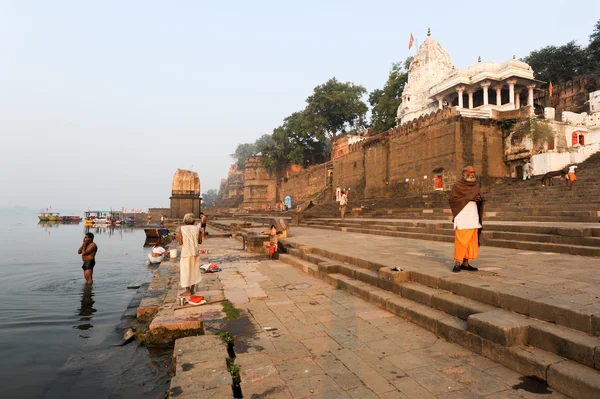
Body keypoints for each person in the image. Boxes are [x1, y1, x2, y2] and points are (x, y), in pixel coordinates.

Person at [448, 166, 483, 273]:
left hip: (473, 214)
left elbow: (476, 196)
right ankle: (457, 263)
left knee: (471, 241)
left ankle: (466, 263)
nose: (472, 174)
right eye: (470, 172)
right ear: (464, 173)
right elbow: (452, 200)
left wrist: (480, 199)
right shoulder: (457, 186)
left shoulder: (476, 185)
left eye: (473, 172)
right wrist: (470, 198)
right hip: (462, 214)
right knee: (461, 240)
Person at [178, 213, 202, 296]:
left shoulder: (182, 228)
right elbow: (200, 241)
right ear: (193, 220)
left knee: (185, 272)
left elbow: (180, 242)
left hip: (186, 253)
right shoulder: (197, 228)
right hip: (195, 252)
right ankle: (192, 290)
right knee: (194, 271)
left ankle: (187, 290)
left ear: (185, 220)